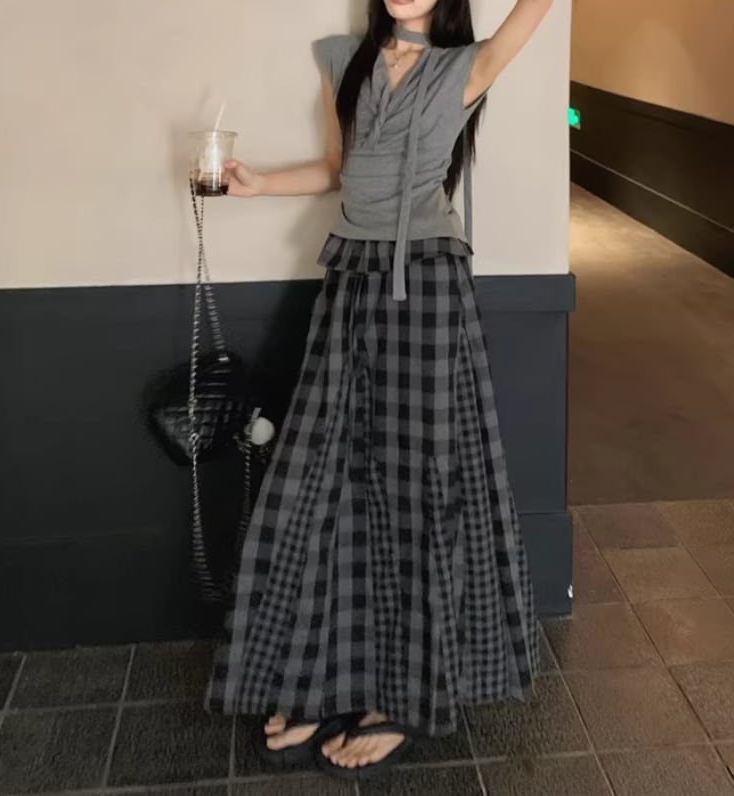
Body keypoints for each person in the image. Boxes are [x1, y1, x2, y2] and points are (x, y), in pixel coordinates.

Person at [205, 0, 555, 781]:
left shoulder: (464, 67)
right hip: (352, 279)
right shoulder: (345, 60)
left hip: (425, 287)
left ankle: (404, 700)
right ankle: (319, 678)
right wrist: (258, 184)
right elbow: (340, 169)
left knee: (417, 491)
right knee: (322, 479)